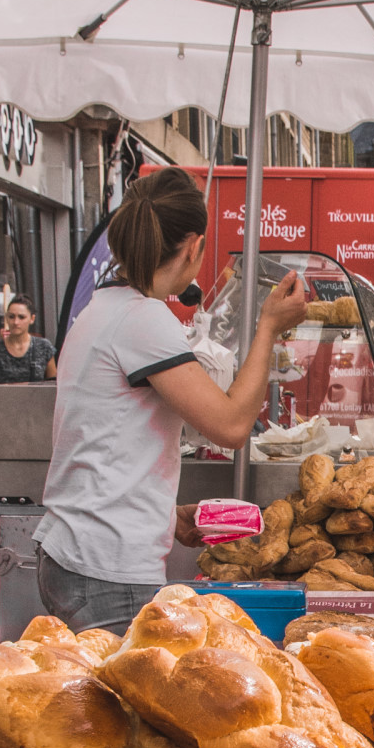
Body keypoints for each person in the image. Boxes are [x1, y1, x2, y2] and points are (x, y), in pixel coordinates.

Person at [34, 166, 307, 634]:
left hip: (78, 553)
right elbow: (231, 426)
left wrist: (161, 513)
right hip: (108, 568)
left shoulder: (106, 308)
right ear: (194, 246)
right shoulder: (143, 319)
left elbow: (112, 439)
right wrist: (268, 327)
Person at [0, 293, 56, 454]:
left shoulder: (44, 348)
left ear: (32, 319)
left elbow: (55, 387)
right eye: (11, 316)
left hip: (38, 424)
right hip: (4, 424)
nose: (15, 322)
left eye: (21, 317)